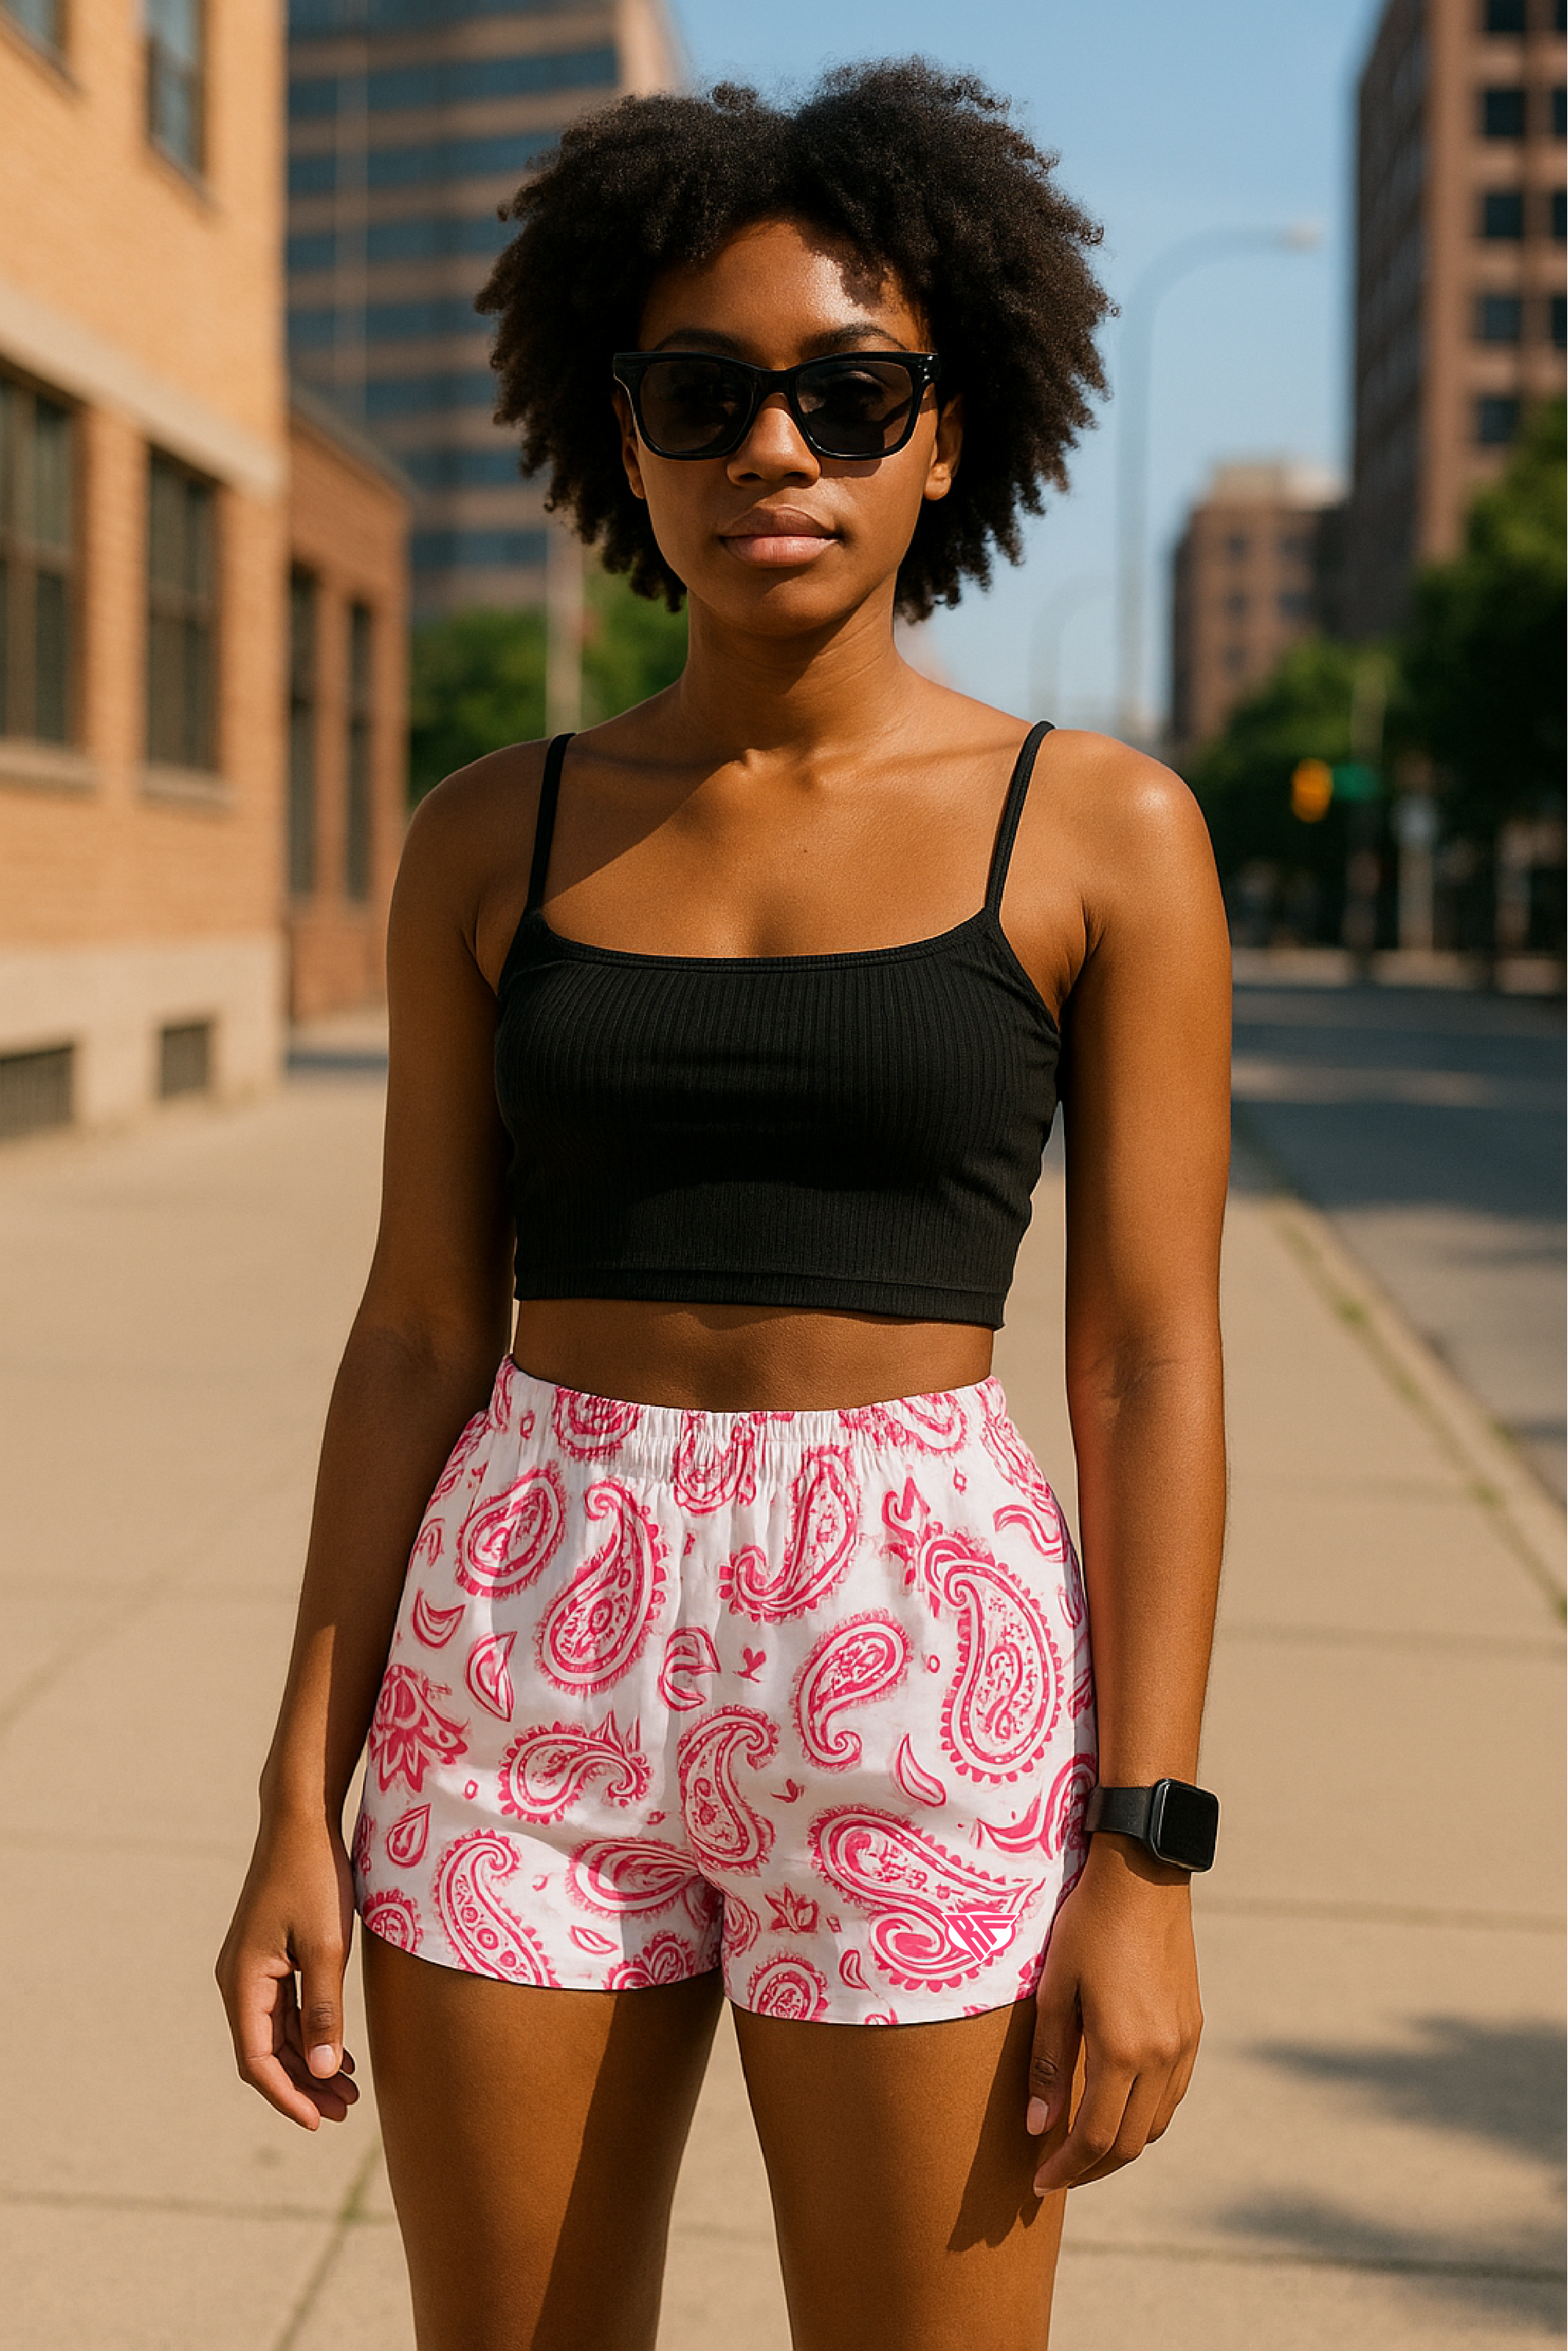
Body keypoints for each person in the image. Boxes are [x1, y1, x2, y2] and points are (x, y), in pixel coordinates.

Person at [217, 61, 1230, 2351]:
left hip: (923, 1658)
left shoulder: (1102, 835)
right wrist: (300, 1790)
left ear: (947, 434)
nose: (777, 448)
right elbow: (408, 1333)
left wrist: (1147, 1852)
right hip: (522, 1650)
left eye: (851, 393)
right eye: (708, 391)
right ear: (627, 435)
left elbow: (1151, 1357)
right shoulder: (493, 830)